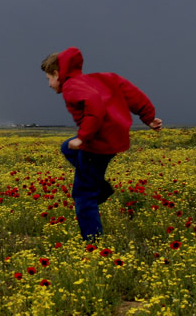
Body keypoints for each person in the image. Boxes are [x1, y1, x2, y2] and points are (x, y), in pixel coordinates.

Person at [42, 47, 162, 241]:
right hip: (114, 139)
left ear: (57, 74)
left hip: (96, 144)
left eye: (48, 78)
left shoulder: (72, 86)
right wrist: (148, 117)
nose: (48, 84)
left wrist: (83, 137)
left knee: (84, 195)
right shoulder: (98, 79)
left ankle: (94, 243)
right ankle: (101, 187)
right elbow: (128, 90)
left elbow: (94, 105)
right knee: (66, 147)